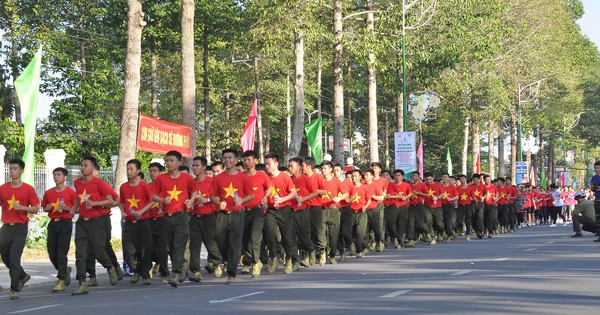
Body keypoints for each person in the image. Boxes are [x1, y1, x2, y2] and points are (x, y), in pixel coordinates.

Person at [72, 155, 119, 295]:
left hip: (97, 221)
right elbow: (77, 196)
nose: (82, 167)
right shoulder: (77, 183)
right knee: (80, 253)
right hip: (82, 222)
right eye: (81, 165)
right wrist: (74, 208)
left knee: (98, 250)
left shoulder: (100, 183)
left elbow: (111, 201)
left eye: (86, 165)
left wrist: (95, 203)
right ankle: (82, 283)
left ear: (93, 169)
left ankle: (110, 267)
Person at [152, 150, 198, 287]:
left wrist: (191, 200)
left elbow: (195, 190)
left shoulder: (186, 178)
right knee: (171, 247)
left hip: (181, 216)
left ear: (179, 162)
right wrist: (162, 199)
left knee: (179, 245)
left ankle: (176, 273)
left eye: (172, 161)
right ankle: (182, 268)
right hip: (166, 217)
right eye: (167, 161)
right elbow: (153, 195)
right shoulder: (161, 179)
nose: (169, 163)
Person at [210, 148, 254, 284]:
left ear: (235, 160)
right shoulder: (218, 178)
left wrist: (242, 200)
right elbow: (212, 196)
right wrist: (218, 202)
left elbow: (251, 195)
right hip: (222, 215)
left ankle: (231, 273)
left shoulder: (243, 177)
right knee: (220, 241)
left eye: (230, 158)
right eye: (225, 158)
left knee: (234, 244)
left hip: (237, 214)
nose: (227, 160)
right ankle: (225, 261)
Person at [0, 159, 40, 300]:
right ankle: (23, 276)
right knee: (5, 256)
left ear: (21, 171)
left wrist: (23, 208)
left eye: (15, 168)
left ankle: (14, 288)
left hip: (20, 227)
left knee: (14, 257)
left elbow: (36, 208)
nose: (12, 171)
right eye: (10, 168)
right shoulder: (3, 188)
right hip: (6, 227)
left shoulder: (28, 189)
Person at [42, 167, 77, 293]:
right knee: (52, 252)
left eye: (58, 175)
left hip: (65, 223)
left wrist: (67, 208)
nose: (56, 177)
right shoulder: (49, 193)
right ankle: (64, 270)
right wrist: (47, 207)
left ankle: (61, 280)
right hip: (53, 223)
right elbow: (44, 207)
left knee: (62, 252)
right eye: (54, 175)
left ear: (65, 177)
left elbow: (76, 209)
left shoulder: (71, 193)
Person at [119, 159, 154, 285]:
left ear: (138, 171)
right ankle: (137, 270)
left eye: (131, 169)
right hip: (128, 223)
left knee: (145, 250)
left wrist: (142, 211)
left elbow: (152, 201)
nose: (128, 171)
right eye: (127, 169)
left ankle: (145, 275)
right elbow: (121, 201)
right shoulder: (124, 186)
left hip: (143, 222)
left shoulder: (145, 186)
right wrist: (122, 211)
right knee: (128, 251)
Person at [264, 153, 299, 273]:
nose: (267, 166)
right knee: (270, 235)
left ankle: (289, 260)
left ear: (276, 164)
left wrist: (283, 199)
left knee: (287, 237)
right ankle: (273, 259)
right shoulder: (265, 177)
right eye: (266, 164)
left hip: (284, 210)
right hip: (270, 210)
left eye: (269, 163)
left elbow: (293, 192)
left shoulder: (284, 176)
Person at [240, 150, 271, 278]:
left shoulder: (262, 176)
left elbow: (269, 187)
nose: (247, 162)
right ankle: (247, 261)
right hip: (244, 211)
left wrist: (265, 197)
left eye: (249, 160)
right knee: (245, 239)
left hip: (258, 210)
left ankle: (256, 262)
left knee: (255, 237)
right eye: (245, 160)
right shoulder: (240, 176)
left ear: (255, 161)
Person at [289, 157, 317, 264]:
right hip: (291, 212)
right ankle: (294, 261)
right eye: (289, 166)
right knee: (291, 237)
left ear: (299, 167)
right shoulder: (289, 179)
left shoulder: (305, 179)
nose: (290, 168)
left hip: (303, 211)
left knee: (303, 237)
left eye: (292, 166)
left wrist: (303, 199)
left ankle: (311, 250)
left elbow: (314, 193)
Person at [319, 161, 347, 264]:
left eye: (325, 168)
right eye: (322, 168)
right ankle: (322, 252)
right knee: (321, 234)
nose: (323, 170)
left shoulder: (336, 181)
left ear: (331, 169)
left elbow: (346, 194)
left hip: (334, 210)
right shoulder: (319, 180)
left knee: (333, 235)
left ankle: (332, 256)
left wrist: (339, 198)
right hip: (321, 210)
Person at [301, 157, 326, 265]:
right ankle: (306, 255)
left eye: (302, 165)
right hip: (303, 208)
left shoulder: (318, 177)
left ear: (309, 166)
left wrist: (314, 191)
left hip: (315, 207)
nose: (301, 168)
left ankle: (322, 251)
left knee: (318, 231)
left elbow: (325, 191)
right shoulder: (301, 177)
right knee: (305, 231)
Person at [148, 162, 169, 282]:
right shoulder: (147, 186)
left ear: (161, 172)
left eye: (155, 170)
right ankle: (157, 262)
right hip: (149, 220)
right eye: (151, 171)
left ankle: (164, 273)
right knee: (150, 247)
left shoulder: (167, 186)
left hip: (162, 220)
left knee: (162, 248)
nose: (152, 173)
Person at [385, 169, 412, 248]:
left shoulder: (406, 185)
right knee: (393, 224)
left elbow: (410, 193)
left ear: (402, 176)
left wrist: (406, 197)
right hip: (393, 207)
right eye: (395, 176)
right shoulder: (391, 185)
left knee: (401, 224)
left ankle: (399, 240)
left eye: (399, 175)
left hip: (403, 207)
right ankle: (395, 238)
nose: (397, 177)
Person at [347, 169, 371, 257]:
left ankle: (359, 250)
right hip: (351, 213)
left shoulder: (365, 187)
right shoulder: (350, 188)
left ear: (360, 177)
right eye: (352, 176)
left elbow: (369, 199)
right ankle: (351, 246)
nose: (353, 178)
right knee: (350, 232)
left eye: (355, 176)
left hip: (362, 213)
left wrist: (365, 206)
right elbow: (347, 199)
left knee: (360, 232)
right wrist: (350, 200)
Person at [455, 175, 472, 240]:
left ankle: (467, 234)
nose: (462, 180)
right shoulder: (457, 188)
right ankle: (461, 228)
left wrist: (475, 198)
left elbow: (472, 196)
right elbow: (456, 196)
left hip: (468, 205)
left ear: (465, 179)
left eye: (463, 179)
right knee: (459, 220)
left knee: (468, 220)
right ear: (459, 180)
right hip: (460, 205)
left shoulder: (469, 188)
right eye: (461, 179)